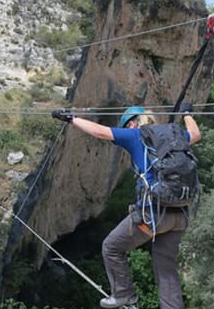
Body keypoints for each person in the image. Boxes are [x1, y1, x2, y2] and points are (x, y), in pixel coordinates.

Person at [51, 103, 201, 309]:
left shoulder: (136, 135)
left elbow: (100, 132)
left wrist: (71, 118)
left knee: (111, 247)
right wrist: (186, 113)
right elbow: (195, 133)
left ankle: (124, 294)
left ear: (132, 123)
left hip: (153, 214)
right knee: (166, 266)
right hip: (180, 215)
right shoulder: (175, 137)